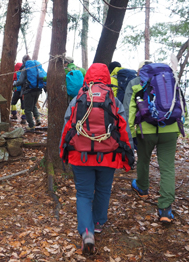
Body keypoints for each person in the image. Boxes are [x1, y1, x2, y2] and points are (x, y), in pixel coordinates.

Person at [59, 63, 134, 254]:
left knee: (84, 194)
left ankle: (87, 232)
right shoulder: (113, 100)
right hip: (108, 156)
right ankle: (99, 223)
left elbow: (67, 127)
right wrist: (129, 155)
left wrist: (63, 152)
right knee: (103, 190)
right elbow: (124, 129)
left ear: (88, 77)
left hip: (80, 156)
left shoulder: (78, 99)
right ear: (107, 78)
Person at [128, 62, 183, 223]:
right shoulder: (172, 84)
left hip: (146, 130)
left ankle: (142, 188)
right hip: (170, 129)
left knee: (144, 160)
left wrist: (131, 134)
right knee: (167, 168)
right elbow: (181, 106)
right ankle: (165, 209)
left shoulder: (140, 85)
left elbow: (132, 109)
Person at [13, 55, 45, 131]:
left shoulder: (25, 69)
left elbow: (20, 81)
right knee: (33, 106)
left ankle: (31, 126)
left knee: (27, 109)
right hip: (38, 90)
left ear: (24, 61)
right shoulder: (36, 67)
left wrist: (14, 83)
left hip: (29, 91)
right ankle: (38, 119)